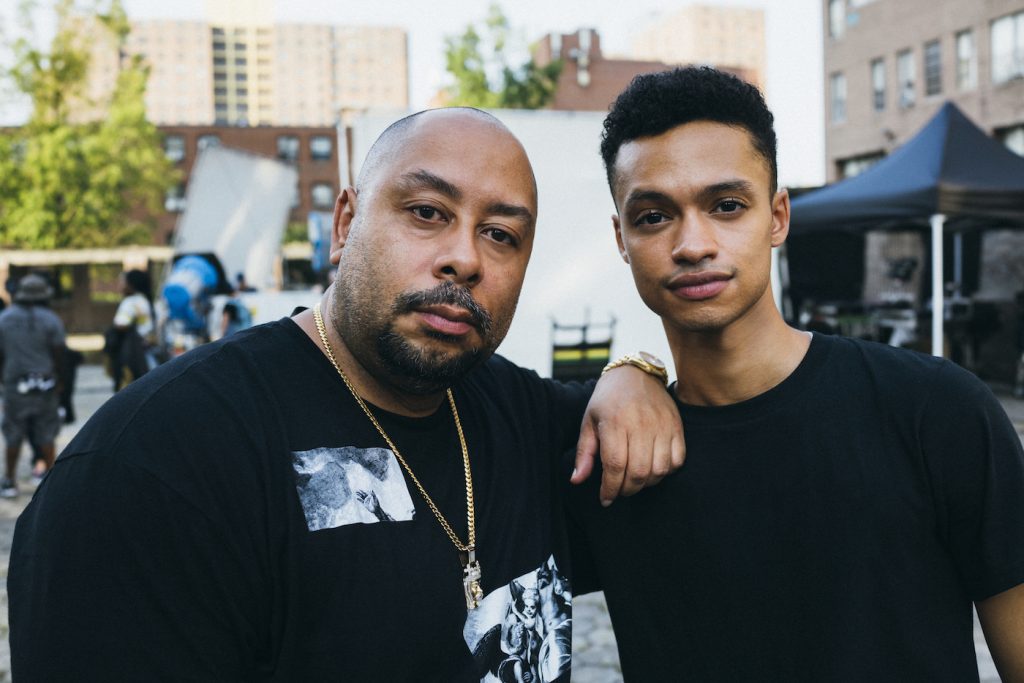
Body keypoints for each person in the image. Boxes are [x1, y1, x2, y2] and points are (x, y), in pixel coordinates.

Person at [9, 107, 683, 680]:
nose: (465, 258)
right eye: (426, 212)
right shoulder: (154, 466)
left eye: (500, 234)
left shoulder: (531, 424)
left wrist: (637, 368)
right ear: (343, 224)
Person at [567, 67, 1024, 682]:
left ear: (778, 217)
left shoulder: (935, 411)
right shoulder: (604, 450)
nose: (693, 244)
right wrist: (627, 370)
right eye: (653, 217)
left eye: (727, 206)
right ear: (621, 239)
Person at [0, 274, 66, 497]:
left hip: (14, 384)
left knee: (13, 433)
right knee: (46, 432)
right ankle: (51, 480)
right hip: (45, 383)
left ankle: (9, 481)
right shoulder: (51, 319)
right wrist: (59, 379)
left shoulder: (5, 319)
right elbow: (58, 353)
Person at [105, 268, 158, 390]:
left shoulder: (130, 302)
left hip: (132, 355)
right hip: (147, 354)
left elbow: (121, 324)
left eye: (123, 282)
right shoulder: (146, 300)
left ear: (131, 284)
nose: (120, 285)